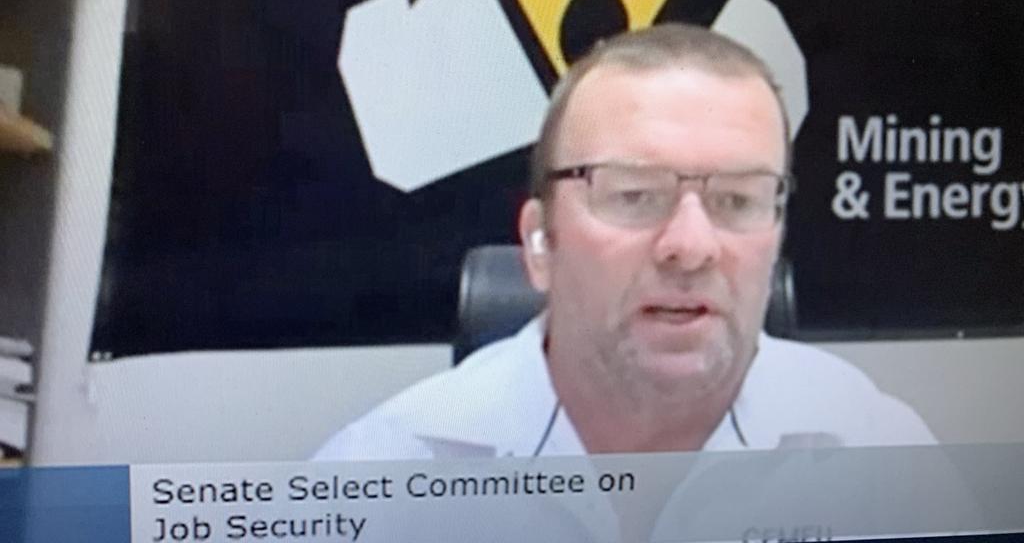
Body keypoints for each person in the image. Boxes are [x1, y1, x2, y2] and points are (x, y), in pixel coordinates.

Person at [314, 23, 935, 461]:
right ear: (538, 243)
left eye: (738, 200)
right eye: (635, 195)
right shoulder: (387, 470)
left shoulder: (877, 448)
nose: (692, 247)